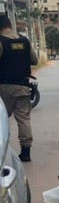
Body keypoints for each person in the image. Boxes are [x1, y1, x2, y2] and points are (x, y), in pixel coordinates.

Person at [0, 14, 38, 162]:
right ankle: (26, 152)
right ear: (10, 25)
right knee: (23, 119)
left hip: (4, 88)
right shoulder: (24, 40)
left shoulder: (1, 42)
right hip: (23, 87)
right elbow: (34, 60)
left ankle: (3, 150)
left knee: (2, 119)